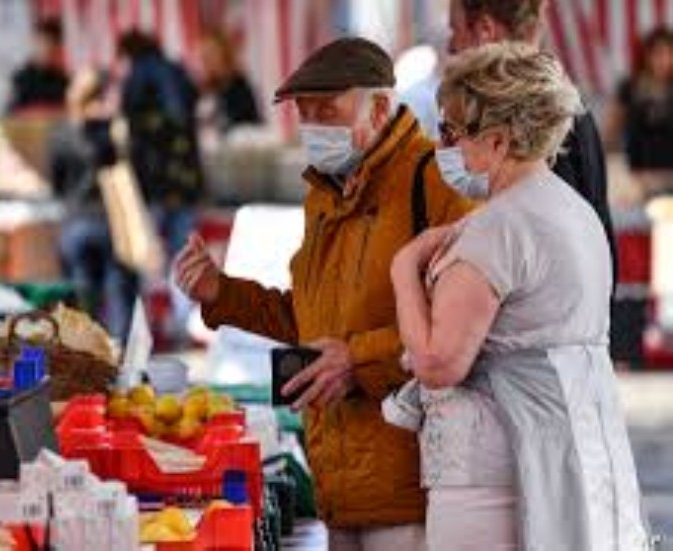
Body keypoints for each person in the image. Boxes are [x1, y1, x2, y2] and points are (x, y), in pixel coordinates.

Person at [174, 37, 473, 551]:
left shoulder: (435, 182)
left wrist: (356, 360)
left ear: (379, 106)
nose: (312, 126)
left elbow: (461, 332)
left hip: (411, 485)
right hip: (338, 481)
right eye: (304, 113)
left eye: (326, 110)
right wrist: (222, 293)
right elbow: (308, 321)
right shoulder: (323, 195)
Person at [385, 43, 646, 550]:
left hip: (491, 482)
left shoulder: (498, 229)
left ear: (499, 141)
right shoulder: (574, 211)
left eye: (451, 132)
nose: (444, 147)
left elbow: (438, 362)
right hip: (570, 452)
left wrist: (403, 269)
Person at [446, 0, 618, 285]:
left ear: (486, 29)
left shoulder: (535, 117)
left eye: (454, 29)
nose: (451, 45)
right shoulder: (567, 107)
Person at [48, 69, 137, 340]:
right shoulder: (114, 131)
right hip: (111, 223)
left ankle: (88, 359)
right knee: (119, 296)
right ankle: (119, 361)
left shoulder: (61, 133)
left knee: (84, 301)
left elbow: (56, 183)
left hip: (74, 223)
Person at [117, 30, 204, 260]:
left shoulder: (139, 73)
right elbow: (190, 107)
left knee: (154, 254)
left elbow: (130, 116)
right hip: (186, 175)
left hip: (154, 175)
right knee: (185, 252)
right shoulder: (176, 70)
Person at [606, 26, 673, 198]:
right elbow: (612, 129)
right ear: (646, 55)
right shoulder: (630, 86)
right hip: (639, 175)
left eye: (668, 53)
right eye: (658, 53)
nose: (663, 60)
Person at [196, 29, 261, 135]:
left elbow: (247, 125)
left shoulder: (240, 87)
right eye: (203, 56)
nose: (206, 61)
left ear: (224, 55)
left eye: (210, 55)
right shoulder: (204, 90)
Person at [8, 18, 69, 113]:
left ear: (58, 48)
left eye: (50, 44)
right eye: (41, 43)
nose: (45, 49)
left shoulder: (63, 81)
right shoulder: (20, 79)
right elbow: (11, 114)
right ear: (34, 44)